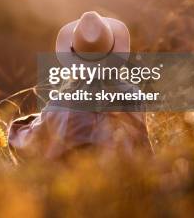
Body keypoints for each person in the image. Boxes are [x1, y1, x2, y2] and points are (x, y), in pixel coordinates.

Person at [8, 11, 152, 159]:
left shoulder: (59, 106)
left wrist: (21, 125)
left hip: (75, 181)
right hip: (124, 179)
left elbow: (29, 143)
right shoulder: (134, 97)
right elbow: (145, 153)